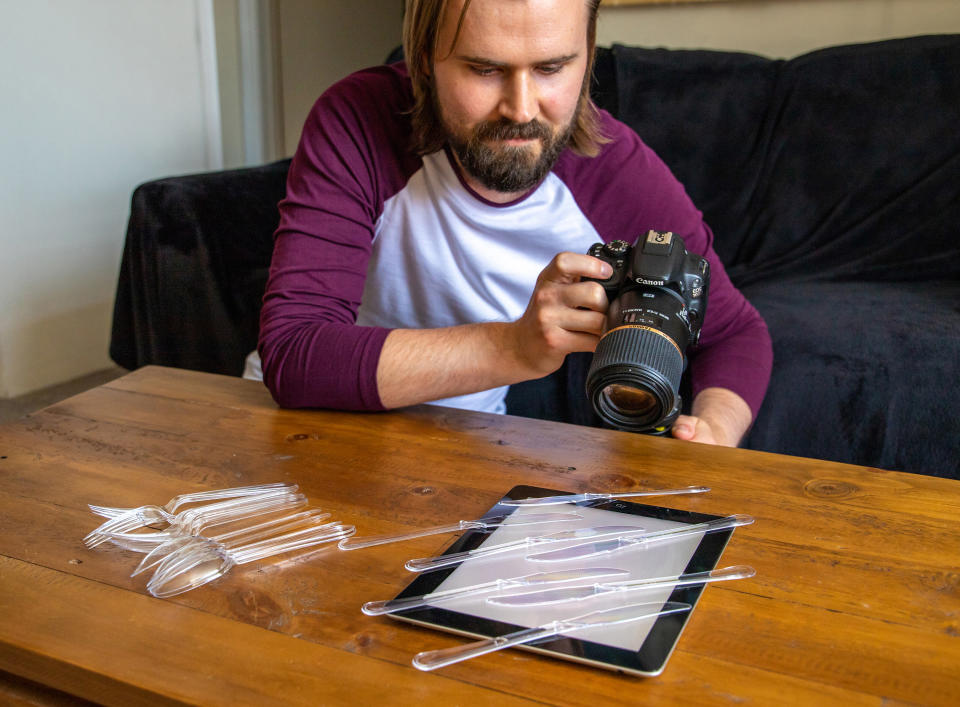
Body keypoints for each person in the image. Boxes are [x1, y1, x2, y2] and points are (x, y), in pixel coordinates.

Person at [257, 0, 773, 447]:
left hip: (461, 445)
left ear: (587, 54)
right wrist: (515, 348)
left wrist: (714, 429)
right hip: (301, 424)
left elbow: (733, 331)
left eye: (552, 67)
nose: (521, 109)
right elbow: (295, 354)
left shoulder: (615, 171)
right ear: (423, 60)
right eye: (484, 69)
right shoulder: (355, 119)